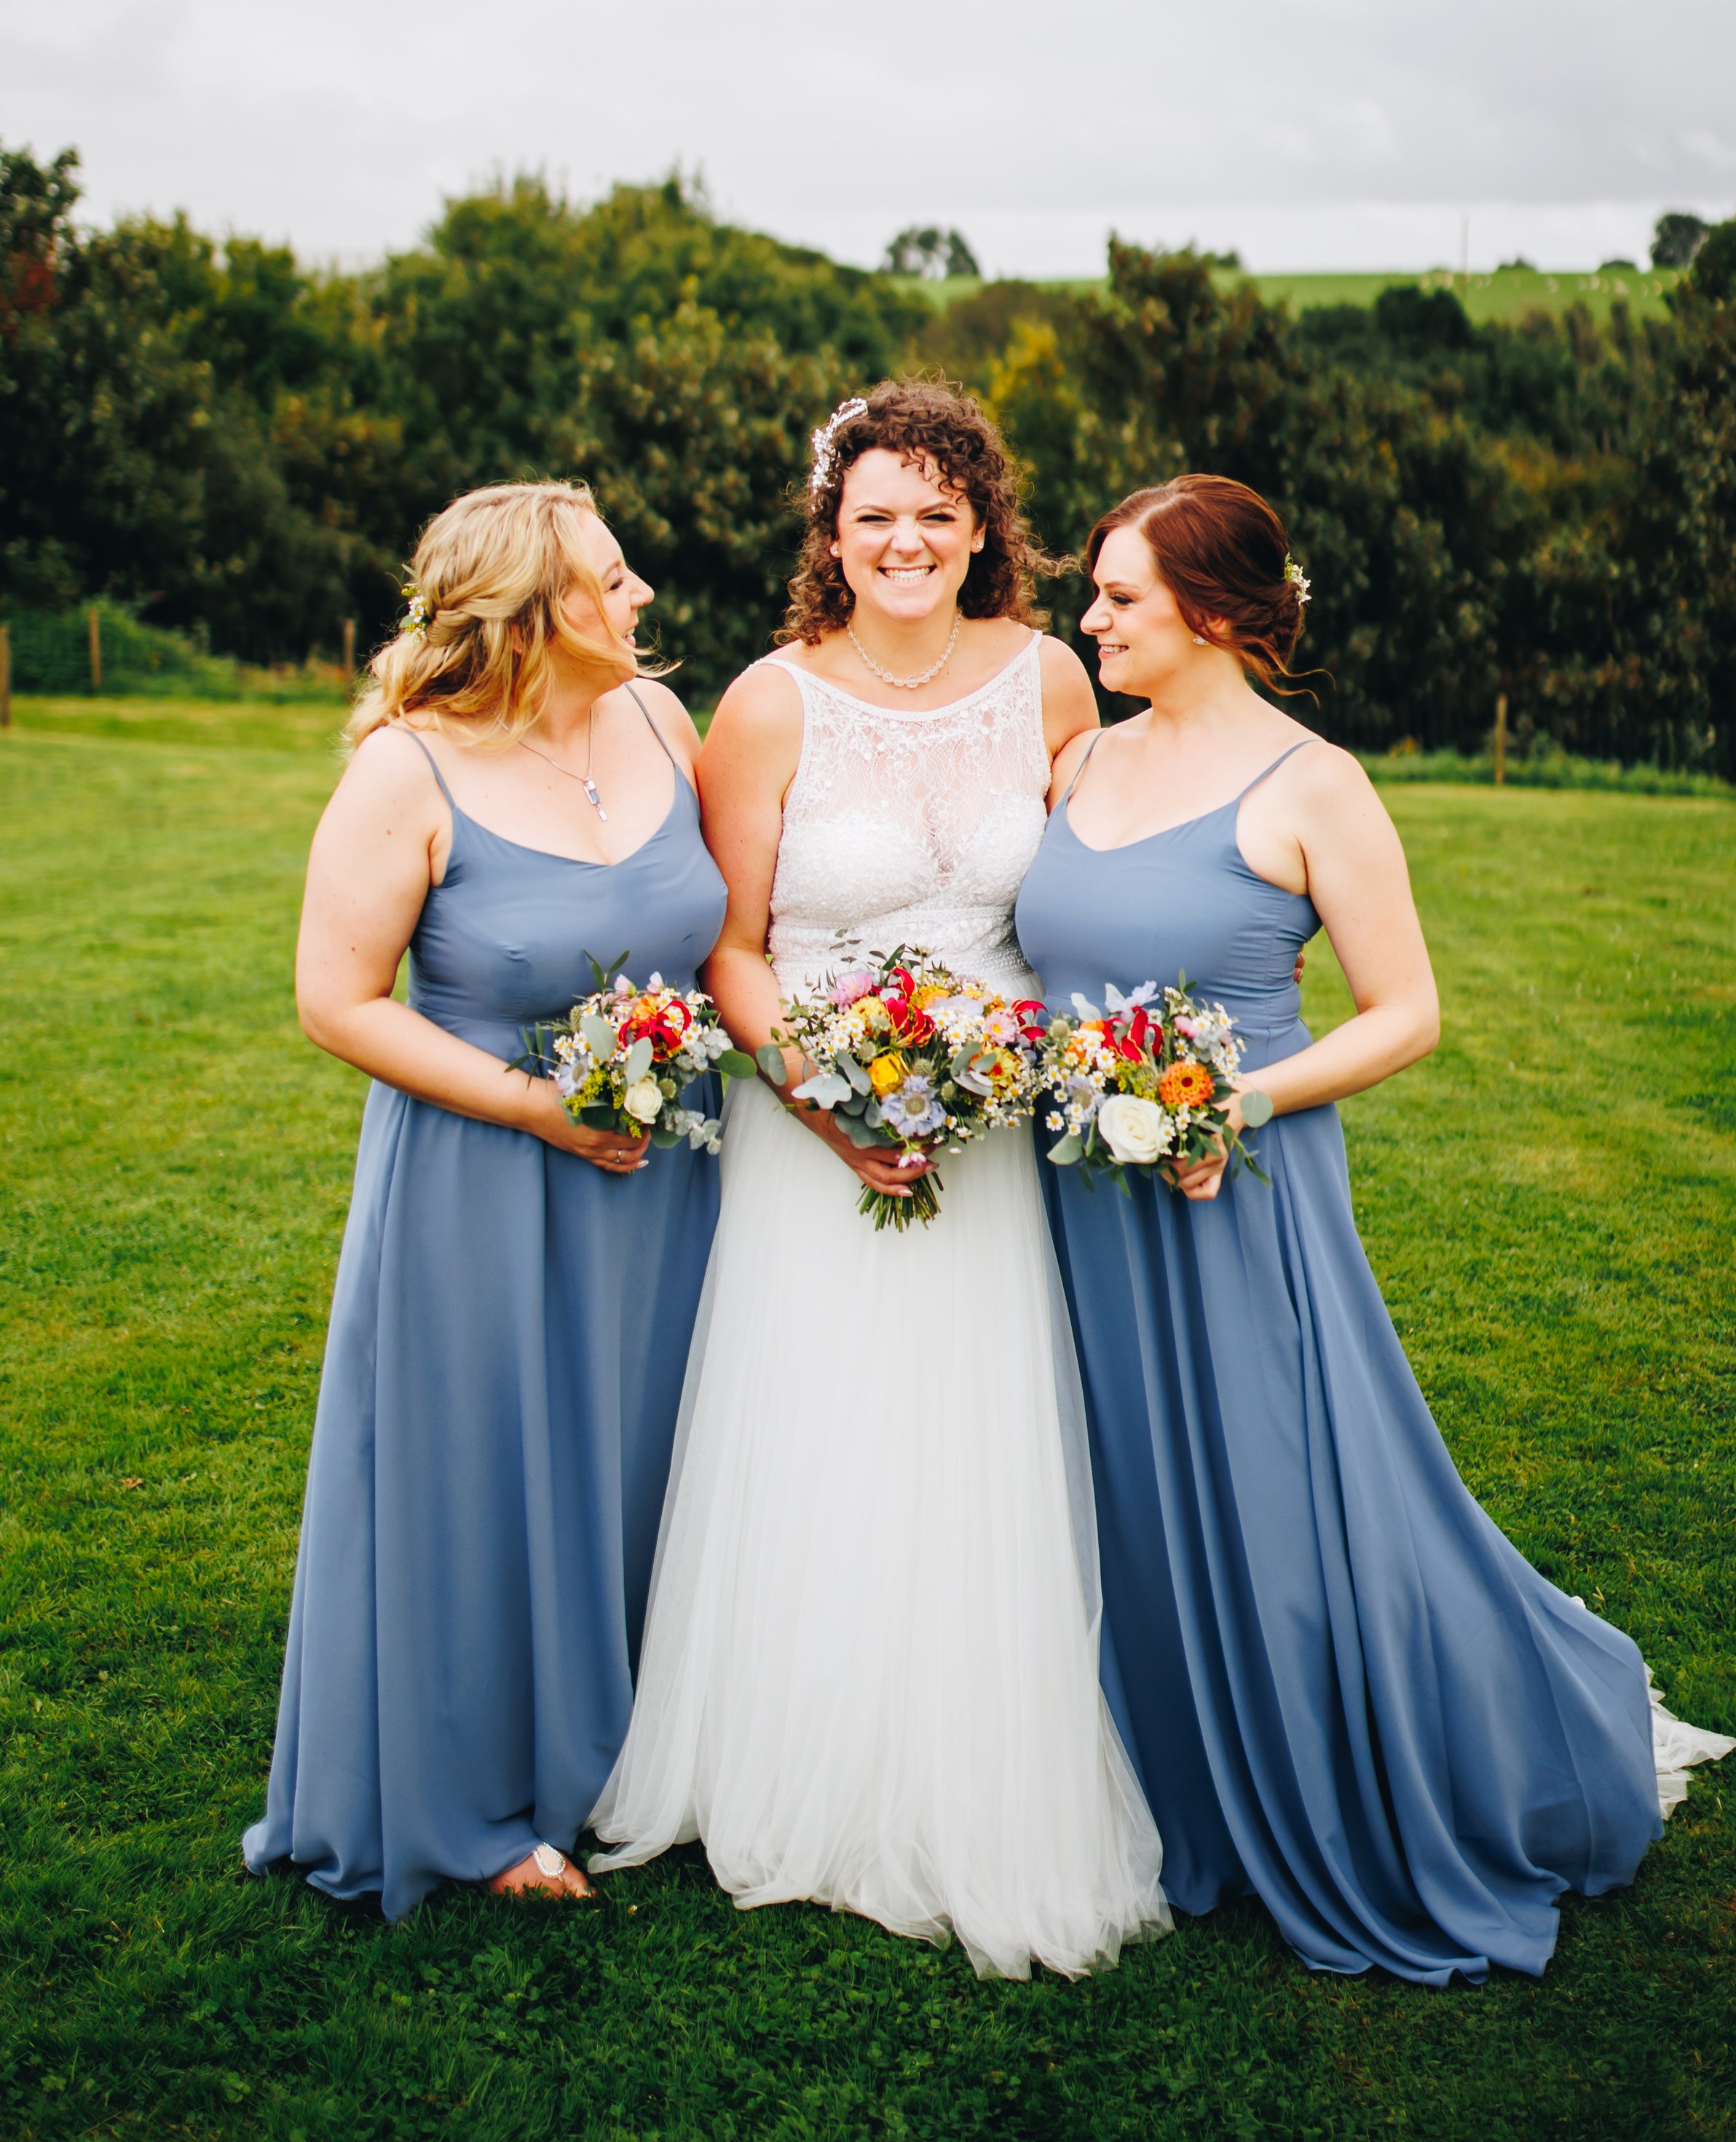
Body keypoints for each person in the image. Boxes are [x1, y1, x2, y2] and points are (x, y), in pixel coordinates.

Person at [1014, 471, 1735, 1985]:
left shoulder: (1309, 786)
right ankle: (1164, 1781)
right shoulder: (1078, 756)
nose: (1088, 618)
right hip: (1078, 1196)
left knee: (1277, 1499)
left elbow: (1403, 1015)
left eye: (1119, 596)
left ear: (1211, 612)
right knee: (1123, 1489)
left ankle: (1354, 1768)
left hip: (1231, 1197)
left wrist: (1228, 1107)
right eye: (1093, 591)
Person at [588, 383, 1170, 1978]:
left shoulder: (1052, 677)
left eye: (934, 511)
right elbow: (728, 937)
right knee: (818, 1428)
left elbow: (1102, 878)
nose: (904, 541)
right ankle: (793, 1755)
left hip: (986, 1129)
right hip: (813, 1127)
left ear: (980, 524)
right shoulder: (771, 702)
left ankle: (983, 1754)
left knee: (977, 1432)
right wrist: (825, 1094)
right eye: (873, 517)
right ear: (828, 540)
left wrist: (1046, 1064)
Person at [243, 481, 727, 1920]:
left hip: (665, 1175)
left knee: (642, 1448)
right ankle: (469, 1805)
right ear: (531, 616)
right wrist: (533, 1107)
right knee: (482, 1473)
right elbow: (334, 999)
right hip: (483, 1179)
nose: (639, 598)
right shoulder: (410, 770)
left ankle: (639, 1753)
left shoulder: (657, 720)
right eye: (612, 581)